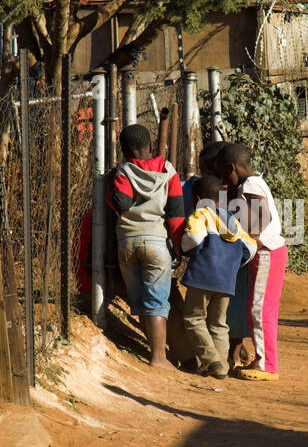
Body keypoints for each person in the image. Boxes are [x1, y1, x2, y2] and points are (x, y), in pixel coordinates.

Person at [108, 124, 184, 369]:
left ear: (123, 150)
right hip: (156, 242)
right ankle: (159, 358)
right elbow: (175, 216)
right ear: (150, 146)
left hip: (127, 242)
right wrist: (180, 246)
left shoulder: (123, 172)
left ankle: (152, 350)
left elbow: (122, 203)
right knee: (158, 302)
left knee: (140, 300)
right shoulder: (168, 172)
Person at [219, 143, 287, 381]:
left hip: (266, 252)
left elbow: (263, 215)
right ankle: (263, 360)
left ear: (231, 168)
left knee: (259, 311)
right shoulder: (252, 183)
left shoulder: (250, 184)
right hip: (271, 252)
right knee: (262, 310)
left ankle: (267, 365)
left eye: (223, 172)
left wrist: (252, 241)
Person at [179, 175, 257, 379]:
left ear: (197, 198)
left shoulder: (201, 214)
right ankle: (221, 365)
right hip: (226, 281)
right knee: (219, 324)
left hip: (202, 277)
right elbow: (251, 246)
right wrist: (234, 264)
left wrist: (185, 248)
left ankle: (211, 360)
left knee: (194, 318)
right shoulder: (232, 219)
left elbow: (194, 238)